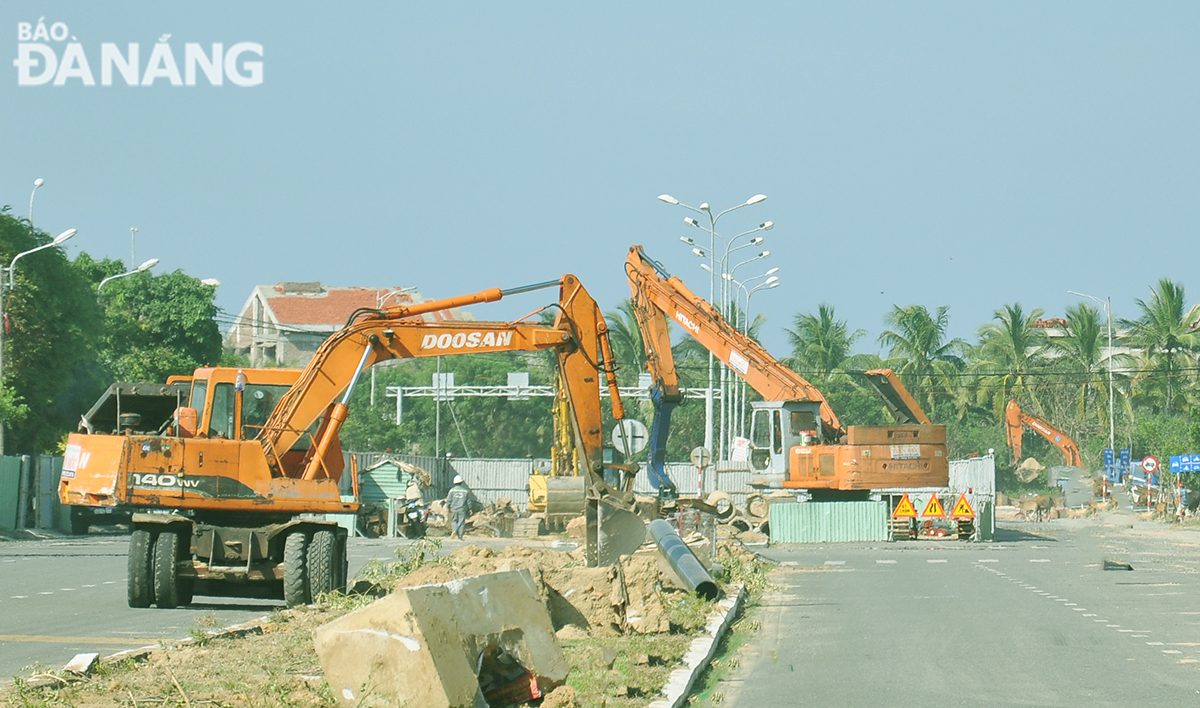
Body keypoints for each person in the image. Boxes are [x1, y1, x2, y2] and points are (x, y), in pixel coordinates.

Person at [446, 474, 477, 540]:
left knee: (454, 521)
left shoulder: (451, 491)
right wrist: (470, 508)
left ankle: (454, 530)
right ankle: (460, 536)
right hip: (462, 509)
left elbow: (449, 500)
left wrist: (448, 507)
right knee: (461, 522)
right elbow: (468, 501)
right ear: (462, 482)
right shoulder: (465, 491)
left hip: (453, 509)